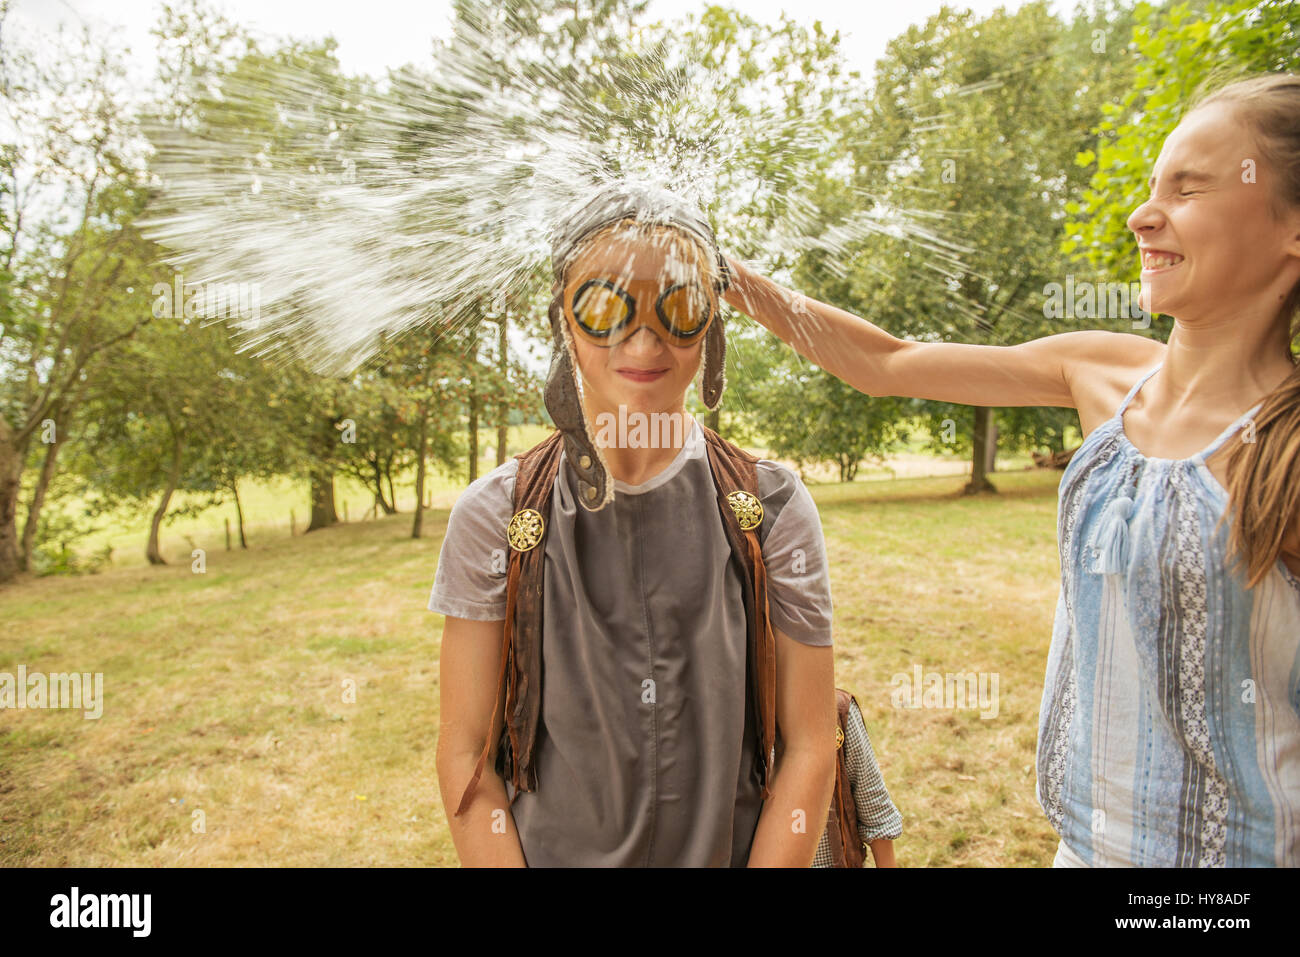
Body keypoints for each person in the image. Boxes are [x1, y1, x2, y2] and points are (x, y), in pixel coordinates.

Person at [720, 73, 1300, 867]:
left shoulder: (1286, 447)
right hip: (1083, 849)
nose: (1143, 214)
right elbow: (889, 362)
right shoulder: (1101, 371)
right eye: (1152, 186)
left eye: (1189, 189)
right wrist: (727, 276)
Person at [431, 184, 841, 866]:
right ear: (563, 314)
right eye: (604, 304)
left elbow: (808, 743)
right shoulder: (496, 515)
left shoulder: (772, 507)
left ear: (711, 319)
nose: (644, 339)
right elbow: (465, 750)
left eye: (679, 305)